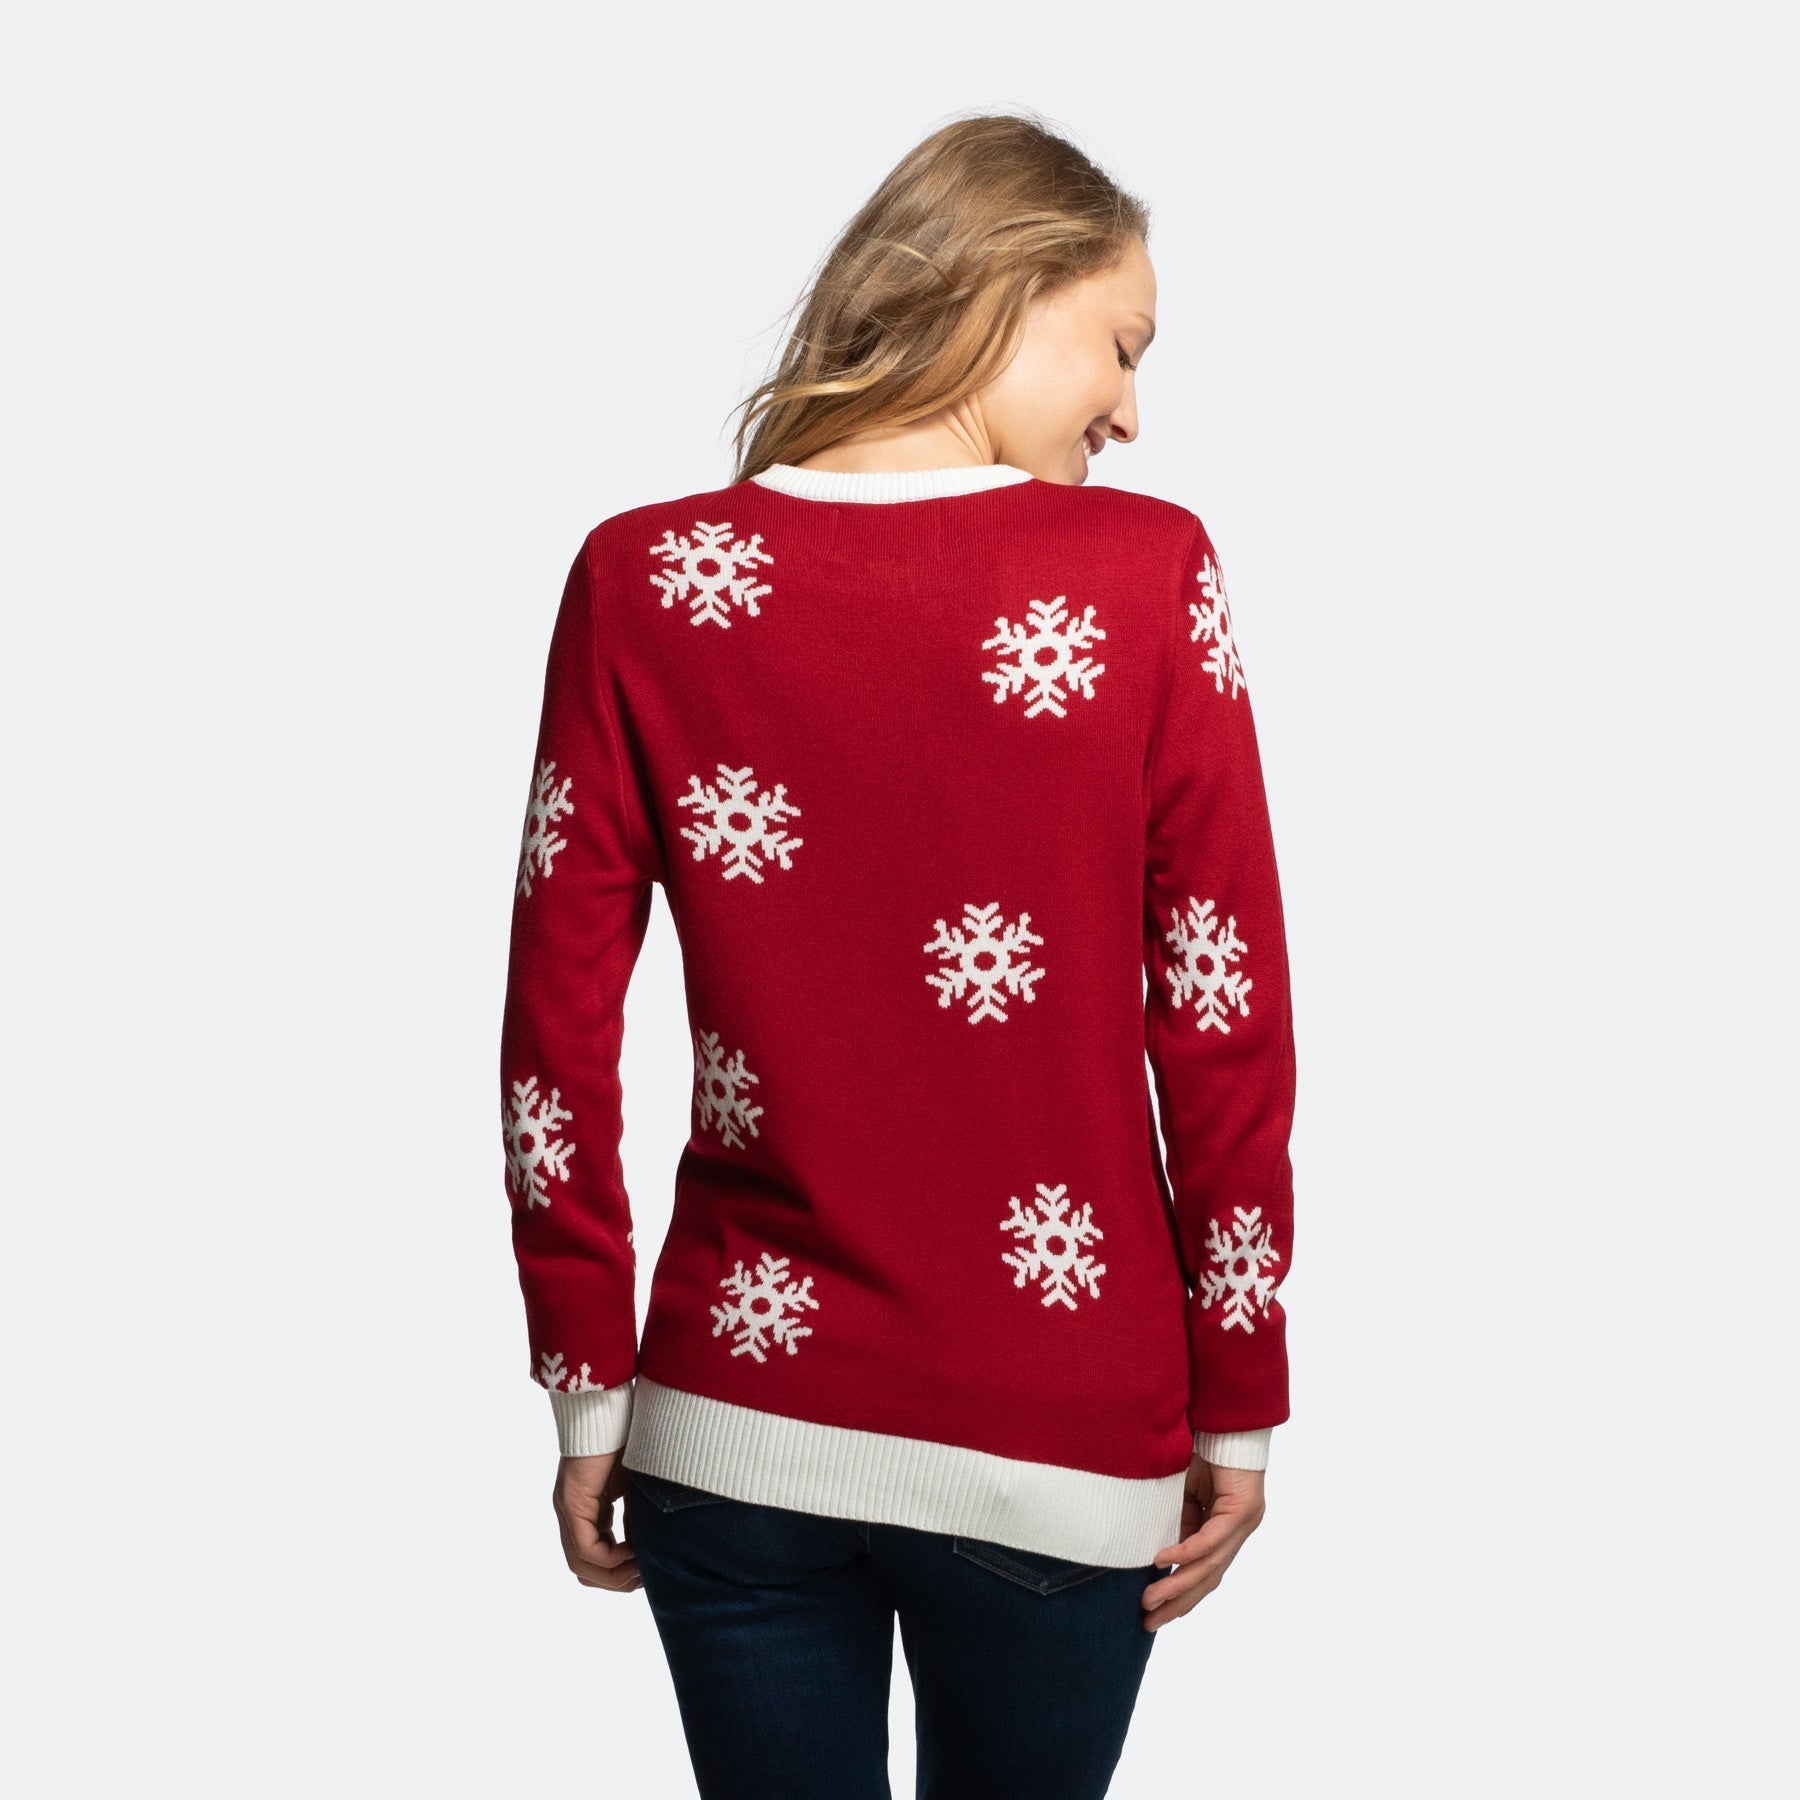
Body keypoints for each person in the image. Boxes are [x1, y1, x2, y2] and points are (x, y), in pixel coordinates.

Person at [499, 110, 1299, 1800]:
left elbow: (554, 1037)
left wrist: (587, 1384)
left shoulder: (642, 577)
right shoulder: (1149, 574)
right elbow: (1221, 1013)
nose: (1132, 412)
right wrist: (1239, 1393)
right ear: (1006, 288)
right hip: (1056, 1434)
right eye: (1124, 345)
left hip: (729, 1428)